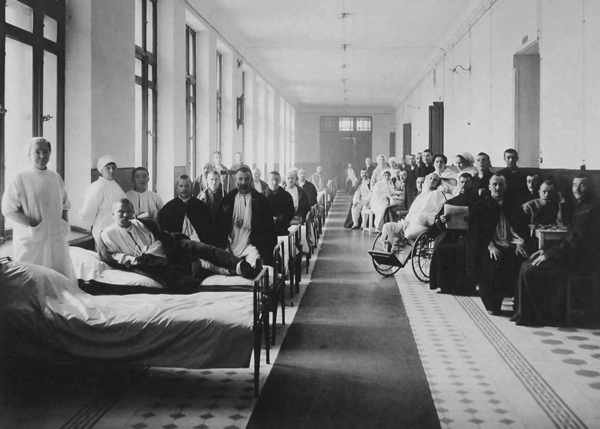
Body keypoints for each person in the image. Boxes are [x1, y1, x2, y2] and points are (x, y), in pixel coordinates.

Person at [99, 199, 259, 293]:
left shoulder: (141, 223)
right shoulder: (108, 234)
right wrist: (130, 259)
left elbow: (160, 237)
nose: (125, 215)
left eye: (129, 211)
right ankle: (236, 271)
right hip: (151, 264)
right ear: (112, 214)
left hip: (167, 248)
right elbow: (110, 256)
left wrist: (159, 249)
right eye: (121, 212)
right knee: (194, 271)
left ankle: (239, 264)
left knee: (201, 248)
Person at [514, 175, 600, 326]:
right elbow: (569, 236)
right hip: (570, 254)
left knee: (530, 270)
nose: (577, 189)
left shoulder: (591, 209)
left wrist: (550, 255)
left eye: (582, 185)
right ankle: (523, 313)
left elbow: (576, 242)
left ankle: (544, 316)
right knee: (526, 264)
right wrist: (545, 249)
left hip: (580, 261)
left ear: (590, 187)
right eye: (575, 185)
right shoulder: (580, 206)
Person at [1, 137, 77, 283]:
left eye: (46, 151)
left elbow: (65, 204)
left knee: (59, 276)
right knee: (34, 278)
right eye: (37, 152)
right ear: (29, 154)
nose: (42, 156)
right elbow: (8, 209)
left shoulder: (55, 177)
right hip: (32, 238)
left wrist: (64, 224)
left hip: (55, 235)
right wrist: (34, 223)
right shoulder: (20, 177)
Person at [468, 174, 528, 315]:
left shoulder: (513, 206)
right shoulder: (480, 206)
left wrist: (520, 243)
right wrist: (490, 246)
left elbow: (521, 229)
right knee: (493, 263)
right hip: (488, 246)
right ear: (489, 187)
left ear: (506, 187)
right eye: (494, 184)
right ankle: (492, 304)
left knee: (522, 260)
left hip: (511, 244)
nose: (497, 187)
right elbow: (476, 233)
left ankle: (518, 304)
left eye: (501, 184)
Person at [217, 166, 277, 266]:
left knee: (254, 265)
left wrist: (247, 223)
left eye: (247, 179)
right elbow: (220, 227)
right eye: (240, 179)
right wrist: (225, 246)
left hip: (252, 246)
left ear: (251, 180)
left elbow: (268, 229)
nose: (243, 182)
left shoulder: (261, 201)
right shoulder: (227, 200)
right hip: (231, 245)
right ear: (235, 180)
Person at [429, 173, 478, 294]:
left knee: (463, 247)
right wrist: (442, 220)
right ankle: (445, 285)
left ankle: (464, 287)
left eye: (467, 182)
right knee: (441, 246)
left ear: (472, 184)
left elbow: (482, 222)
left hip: (470, 234)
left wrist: (472, 220)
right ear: (458, 183)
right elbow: (439, 222)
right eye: (462, 182)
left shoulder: (478, 202)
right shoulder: (451, 201)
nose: (464, 185)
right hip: (451, 233)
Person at [381, 172, 446, 250]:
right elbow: (412, 211)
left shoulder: (437, 193)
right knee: (387, 226)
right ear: (427, 180)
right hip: (410, 223)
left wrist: (441, 217)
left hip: (423, 223)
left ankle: (401, 241)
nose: (432, 180)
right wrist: (406, 222)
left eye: (435, 180)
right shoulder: (421, 195)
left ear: (437, 183)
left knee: (411, 229)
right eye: (430, 178)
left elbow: (442, 207)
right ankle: (389, 245)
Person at [79, 154, 127, 241]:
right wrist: (88, 225)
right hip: (104, 226)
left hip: (117, 226)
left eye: (113, 167)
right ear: (101, 170)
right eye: (107, 168)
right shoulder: (97, 186)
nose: (111, 170)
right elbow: (88, 211)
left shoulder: (114, 184)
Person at [158, 175, 214, 245]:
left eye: (187, 186)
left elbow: (209, 232)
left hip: (199, 246)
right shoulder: (168, 209)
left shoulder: (202, 207)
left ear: (191, 187)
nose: (184, 189)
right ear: (177, 188)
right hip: (176, 245)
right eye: (181, 186)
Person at [265, 171, 295, 236]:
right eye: (272, 180)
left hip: (283, 229)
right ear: (267, 181)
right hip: (266, 231)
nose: (274, 182)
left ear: (280, 181)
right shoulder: (262, 197)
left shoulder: (286, 196)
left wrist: (280, 218)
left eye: (276, 180)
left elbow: (291, 212)